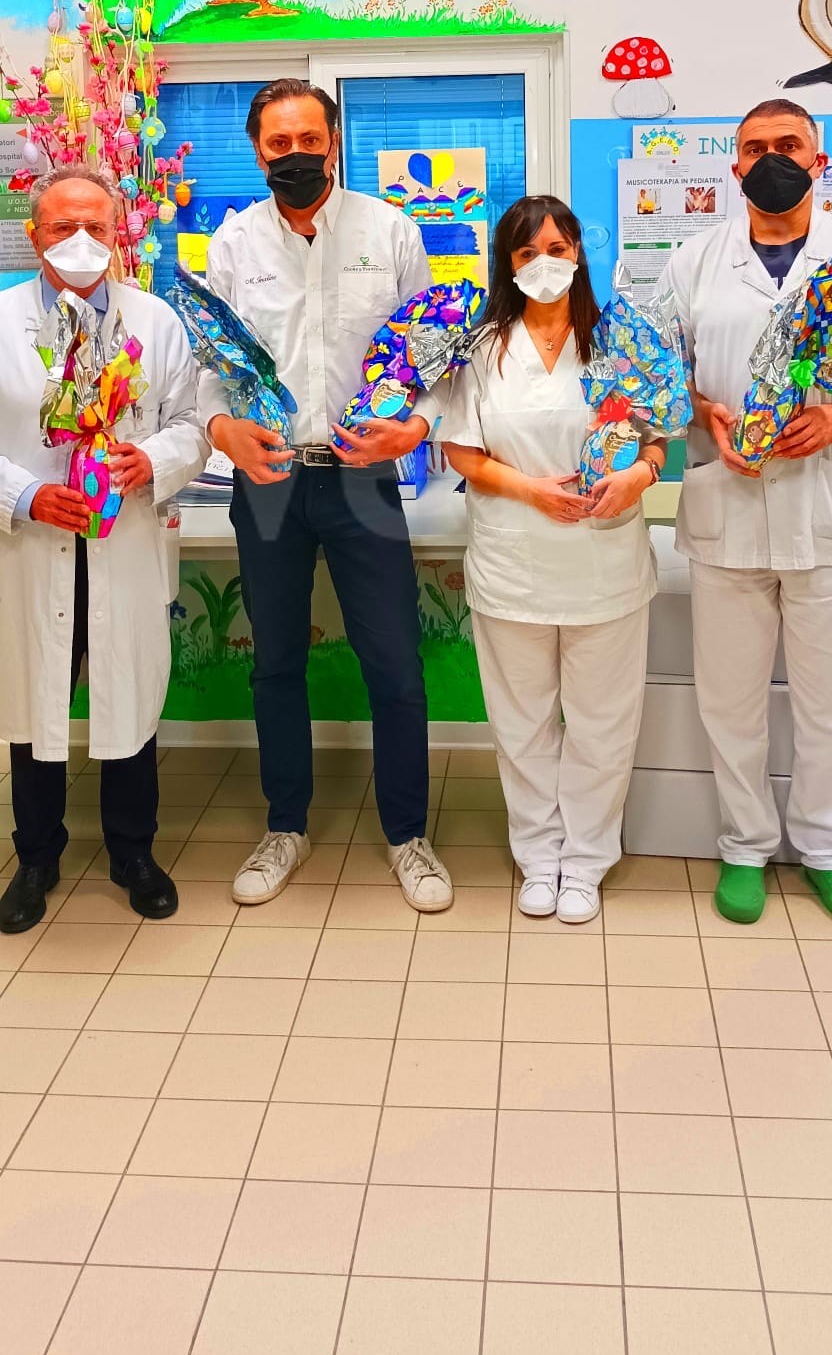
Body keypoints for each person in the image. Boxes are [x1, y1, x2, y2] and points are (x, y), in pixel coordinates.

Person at [198, 78, 453, 913]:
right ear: (258, 151)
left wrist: (416, 429)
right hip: (268, 478)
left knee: (395, 664)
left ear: (334, 142)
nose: (296, 154)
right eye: (280, 143)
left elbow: (429, 353)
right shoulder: (233, 242)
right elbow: (213, 363)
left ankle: (408, 836)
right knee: (275, 661)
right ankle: (286, 826)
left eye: (310, 139)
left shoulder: (390, 230)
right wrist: (219, 428)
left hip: (361, 477)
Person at [664, 98, 832, 931]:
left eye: (788, 144)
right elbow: (661, 378)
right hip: (726, 510)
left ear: (817, 159)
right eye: (755, 147)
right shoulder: (694, 261)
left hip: (823, 511)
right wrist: (706, 413)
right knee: (730, 701)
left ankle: (831, 851)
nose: (772, 158)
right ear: (734, 166)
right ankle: (745, 845)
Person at [443, 196, 664, 923]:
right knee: (523, 723)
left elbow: (656, 437)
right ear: (507, 265)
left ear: (578, 255)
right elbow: (463, 452)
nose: (545, 263)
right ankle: (538, 856)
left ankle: (588, 859)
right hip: (514, 564)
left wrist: (641, 475)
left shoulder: (618, 341)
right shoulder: (483, 348)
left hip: (606, 563)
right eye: (527, 252)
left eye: (558, 249)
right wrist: (532, 490)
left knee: (603, 724)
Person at [0, 167, 207, 935]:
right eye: (63, 227)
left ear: (119, 233)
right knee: (36, 706)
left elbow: (193, 424)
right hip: (33, 546)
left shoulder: (156, 320)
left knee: (129, 700)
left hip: (124, 545)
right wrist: (23, 495)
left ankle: (133, 853)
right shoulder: (3, 321)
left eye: (97, 226)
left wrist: (151, 459)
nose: (81, 241)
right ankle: (36, 857)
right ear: (35, 236)